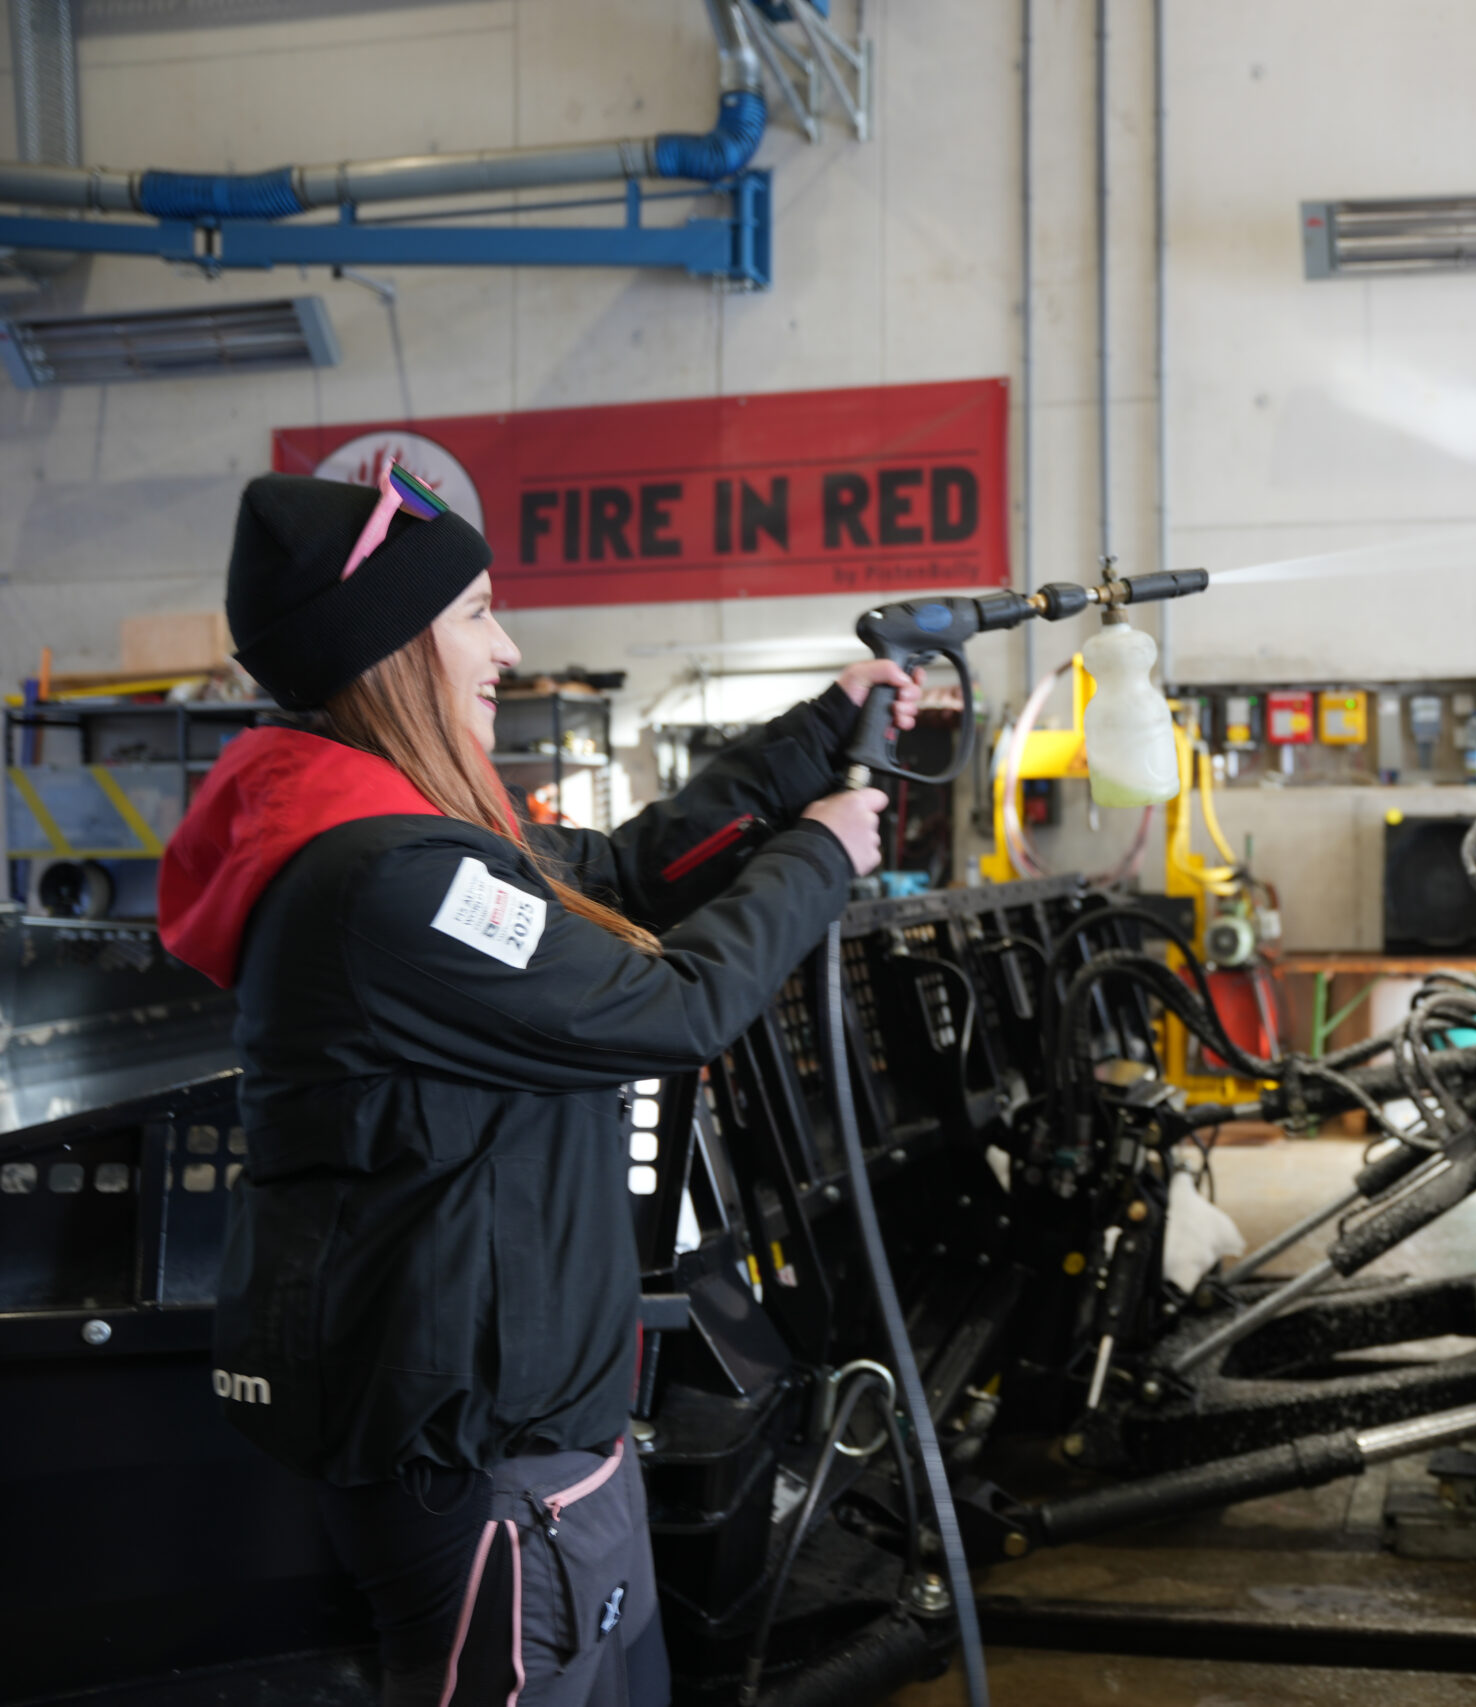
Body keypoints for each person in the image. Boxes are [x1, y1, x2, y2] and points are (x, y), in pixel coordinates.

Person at [158, 466, 920, 1707]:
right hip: (486, 1465)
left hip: (538, 1441)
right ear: (392, 648)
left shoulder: (407, 834)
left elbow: (616, 872)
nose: (506, 648)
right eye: (477, 613)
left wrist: (815, 732)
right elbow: (670, 1008)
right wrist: (820, 858)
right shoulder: (389, 878)